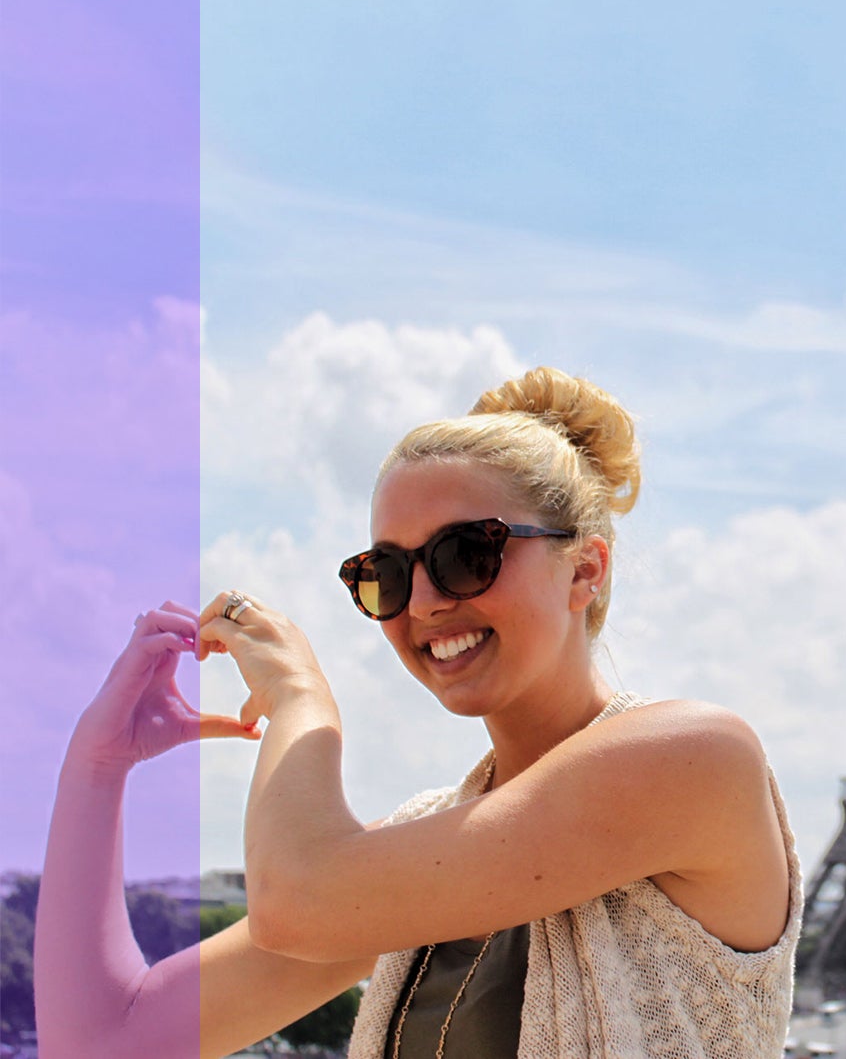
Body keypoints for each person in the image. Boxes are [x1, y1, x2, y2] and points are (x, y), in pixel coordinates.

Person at [36, 366, 801, 1058]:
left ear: (586, 568)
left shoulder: (697, 759)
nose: (427, 603)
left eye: (467, 554)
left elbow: (293, 899)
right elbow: (105, 1040)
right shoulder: (424, 846)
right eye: (387, 573)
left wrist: (301, 698)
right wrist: (96, 767)